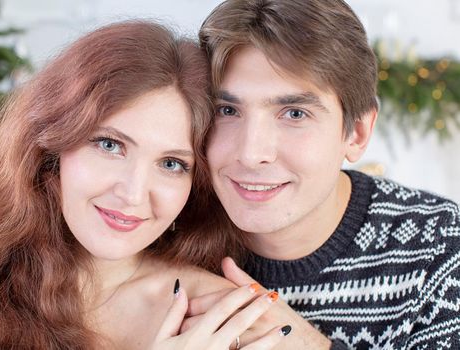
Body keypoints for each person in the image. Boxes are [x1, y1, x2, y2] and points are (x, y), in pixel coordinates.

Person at [0, 20, 290, 349]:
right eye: (110, 145)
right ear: (51, 143)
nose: (133, 194)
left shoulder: (217, 320)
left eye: (171, 164)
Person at [180, 0, 460, 349]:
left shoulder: (441, 246)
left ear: (356, 133)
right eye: (227, 110)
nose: (252, 154)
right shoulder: (162, 226)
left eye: (294, 113)